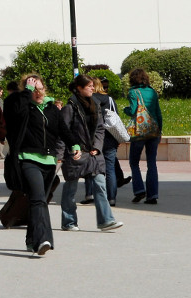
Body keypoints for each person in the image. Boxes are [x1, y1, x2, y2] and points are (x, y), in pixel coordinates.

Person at [4, 73, 63, 256]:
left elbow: (63, 129)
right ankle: (43, 240)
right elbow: (15, 115)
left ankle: (31, 240)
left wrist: (75, 145)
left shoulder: (51, 109)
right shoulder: (23, 107)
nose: (38, 92)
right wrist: (26, 93)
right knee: (38, 199)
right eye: (33, 89)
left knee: (39, 201)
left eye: (40, 88)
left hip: (49, 161)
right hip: (27, 159)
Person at [58, 75, 124, 233]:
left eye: (92, 86)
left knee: (100, 185)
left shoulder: (96, 104)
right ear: (79, 88)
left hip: (94, 154)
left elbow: (101, 128)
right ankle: (68, 222)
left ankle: (106, 221)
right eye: (89, 86)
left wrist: (97, 146)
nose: (93, 88)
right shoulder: (70, 107)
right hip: (76, 154)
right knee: (70, 189)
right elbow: (62, 132)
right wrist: (61, 155)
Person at [125, 68, 163, 205]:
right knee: (151, 163)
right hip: (153, 131)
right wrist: (160, 131)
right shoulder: (152, 91)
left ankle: (139, 190)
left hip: (140, 132)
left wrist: (125, 110)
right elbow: (158, 112)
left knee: (134, 162)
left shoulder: (132, 92)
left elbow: (133, 110)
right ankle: (152, 195)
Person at [90, 77, 130, 206]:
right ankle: (112, 198)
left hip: (95, 138)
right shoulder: (109, 99)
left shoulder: (90, 99)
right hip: (110, 137)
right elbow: (115, 117)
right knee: (110, 168)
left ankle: (94, 194)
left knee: (95, 168)